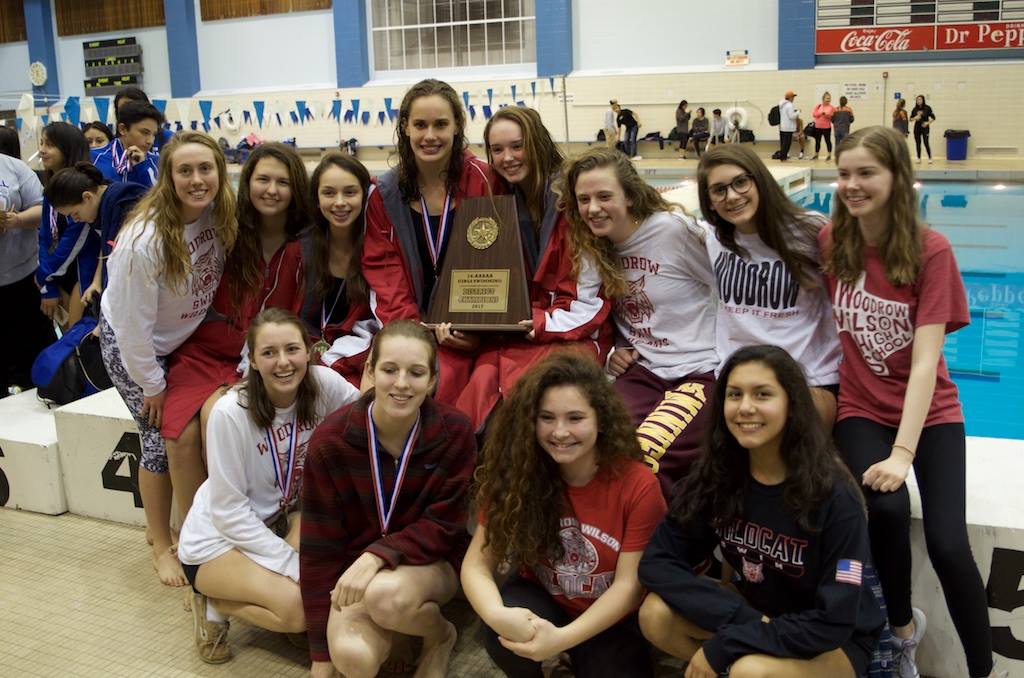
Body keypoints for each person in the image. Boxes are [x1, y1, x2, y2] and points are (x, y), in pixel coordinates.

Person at [822, 126, 1002, 678]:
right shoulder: (833, 241)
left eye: (866, 173)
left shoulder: (931, 250)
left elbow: (926, 363)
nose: (853, 185)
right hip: (860, 409)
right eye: (845, 173)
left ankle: (982, 668)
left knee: (949, 544)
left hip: (931, 414)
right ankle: (902, 634)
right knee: (888, 510)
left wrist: (904, 453)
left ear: (898, 177)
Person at [637, 345, 885, 678]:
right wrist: (744, 622)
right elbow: (657, 563)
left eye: (763, 394)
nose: (745, 408)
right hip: (758, 613)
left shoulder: (836, 496)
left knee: (750, 671)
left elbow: (835, 620)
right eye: (734, 395)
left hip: (831, 638)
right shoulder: (718, 475)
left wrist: (729, 642)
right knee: (655, 614)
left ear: (791, 405)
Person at [463, 352, 666, 677]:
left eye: (575, 418)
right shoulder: (517, 471)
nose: (560, 432)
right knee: (503, 634)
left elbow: (628, 588)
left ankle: (572, 657)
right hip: (543, 598)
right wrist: (495, 613)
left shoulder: (639, 485)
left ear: (600, 419)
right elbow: (476, 564)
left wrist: (560, 640)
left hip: (612, 616)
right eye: (547, 417)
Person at [177, 308, 360, 663]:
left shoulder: (324, 384)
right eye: (269, 353)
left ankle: (279, 607)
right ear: (254, 362)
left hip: (278, 520)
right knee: (301, 609)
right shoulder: (230, 413)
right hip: (219, 539)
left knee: (320, 579)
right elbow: (229, 514)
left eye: (292, 349)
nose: (283, 363)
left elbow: (366, 416)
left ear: (309, 351)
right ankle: (212, 602)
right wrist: (291, 565)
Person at [300, 320, 476, 678]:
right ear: (369, 371)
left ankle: (440, 636)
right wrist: (321, 656)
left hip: (430, 565)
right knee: (352, 658)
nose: (401, 384)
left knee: (386, 597)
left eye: (415, 373)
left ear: (432, 380)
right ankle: (396, 632)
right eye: (390, 370)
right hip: (356, 570)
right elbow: (319, 551)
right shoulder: (330, 442)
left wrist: (376, 557)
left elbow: (445, 527)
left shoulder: (455, 431)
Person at [99, 131, 237, 587]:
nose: (197, 179)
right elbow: (130, 327)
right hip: (134, 349)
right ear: (167, 178)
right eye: (185, 171)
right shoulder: (145, 241)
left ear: (220, 171)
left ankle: (183, 528)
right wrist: (152, 384)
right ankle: (160, 543)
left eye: (206, 169)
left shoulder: (219, 213)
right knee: (156, 438)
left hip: (178, 339)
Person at [160, 142, 308, 525]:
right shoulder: (224, 231)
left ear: (296, 188)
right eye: (262, 179)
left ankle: (237, 524)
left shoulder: (306, 246)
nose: (271, 190)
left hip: (265, 358)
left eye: (282, 181)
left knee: (217, 418)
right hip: (207, 352)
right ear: (247, 183)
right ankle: (198, 537)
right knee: (179, 436)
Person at [561, 147, 718, 498]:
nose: (593, 208)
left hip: (698, 371)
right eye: (583, 199)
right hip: (643, 372)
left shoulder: (673, 232)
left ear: (630, 196)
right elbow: (600, 311)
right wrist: (617, 345)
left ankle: (673, 546)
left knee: (647, 451)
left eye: (604, 196)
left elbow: (733, 284)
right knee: (593, 443)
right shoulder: (593, 245)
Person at [453, 106, 612, 430]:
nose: (507, 157)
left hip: (572, 331)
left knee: (528, 395)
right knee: (480, 380)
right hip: (524, 327)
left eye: (517, 145)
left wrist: (534, 321)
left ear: (536, 143)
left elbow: (589, 304)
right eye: (497, 150)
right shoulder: (501, 203)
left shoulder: (574, 202)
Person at [361, 78, 503, 405]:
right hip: (409, 327)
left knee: (467, 393)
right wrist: (416, 331)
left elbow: (499, 262)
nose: (430, 136)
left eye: (441, 124)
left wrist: (475, 328)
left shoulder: (484, 180)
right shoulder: (385, 193)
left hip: (471, 331)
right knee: (376, 396)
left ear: (456, 128)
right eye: (420, 125)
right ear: (405, 129)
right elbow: (383, 270)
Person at [696, 145, 841, 427]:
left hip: (808, 380)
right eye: (719, 190)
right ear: (710, 201)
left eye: (741, 182)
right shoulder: (711, 239)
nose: (733, 196)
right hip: (736, 382)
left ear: (759, 180)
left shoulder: (809, 230)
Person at [300, 152, 378, 387]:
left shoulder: (378, 250)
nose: (340, 202)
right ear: (316, 198)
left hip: (357, 360)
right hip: (306, 357)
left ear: (365, 195)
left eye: (350, 192)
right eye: (329, 193)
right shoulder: (302, 248)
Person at [43, 162, 147, 304]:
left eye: (75, 213)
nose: (76, 219)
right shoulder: (102, 201)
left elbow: (121, 257)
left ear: (87, 197)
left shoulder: (124, 203)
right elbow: (106, 245)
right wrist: (97, 282)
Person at [0, 151, 53, 396]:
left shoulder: (13, 167)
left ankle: (45, 392)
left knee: (34, 347)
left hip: (23, 275)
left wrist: (16, 220)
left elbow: (43, 210)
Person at [36, 121, 95, 329]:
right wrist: (48, 284)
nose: (42, 150)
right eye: (41, 143)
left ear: (67, 149)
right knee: (63, 332)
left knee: (76, 341)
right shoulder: (51, 186)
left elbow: (74, 239)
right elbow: (44, 235)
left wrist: (43, 275)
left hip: (82, 275)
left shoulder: (83, 187)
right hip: (57, 272)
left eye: (49, 145)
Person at [91, 100, 164, 187]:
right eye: (145, 133)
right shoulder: (94, 158)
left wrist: (142, 167)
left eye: (154, 135)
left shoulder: (158, 162)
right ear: (122, 129)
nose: (150, 141)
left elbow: (158, 198)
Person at [113, 85, 174, 153]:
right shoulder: (111, 144)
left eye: (135, 107)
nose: (150, 141)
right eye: (122, 109)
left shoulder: (167, 137)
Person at [909, 95, 936, 164]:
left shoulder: (927, 108)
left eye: (920, 99)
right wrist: (915, 118)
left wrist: (927, 123)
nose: (918, 101)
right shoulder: (914, 109)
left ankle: (930, 158)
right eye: (917, 100)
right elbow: (910, 119)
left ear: (923, 100)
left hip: (925, 128)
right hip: (917, 128)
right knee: (918, 143)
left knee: (926, 142)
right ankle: (918, 158)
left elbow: (933, 117)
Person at [811, 92, 835, 160]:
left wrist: (827, 115)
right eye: (827, 98)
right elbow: (814, 114)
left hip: (826, 127)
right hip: (818, 126)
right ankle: (816, 154)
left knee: (827, 141)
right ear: (823, 98)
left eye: (829, 98)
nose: (828, 100)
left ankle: (829, 154)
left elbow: (833, 116)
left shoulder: (832, 107)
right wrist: (820, 114)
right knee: (817, 141)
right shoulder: (818, 106)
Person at [778, 91, 799, 162]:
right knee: (786, 144)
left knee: (783, 143)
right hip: (788, 127)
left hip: (782, 127)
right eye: (793, 97)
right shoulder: (789, 105)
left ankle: (782, 157)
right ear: (789, 98)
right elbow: (792, 116)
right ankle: (783, 158)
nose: (793, 98)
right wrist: (798, 112)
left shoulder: (781, 105)